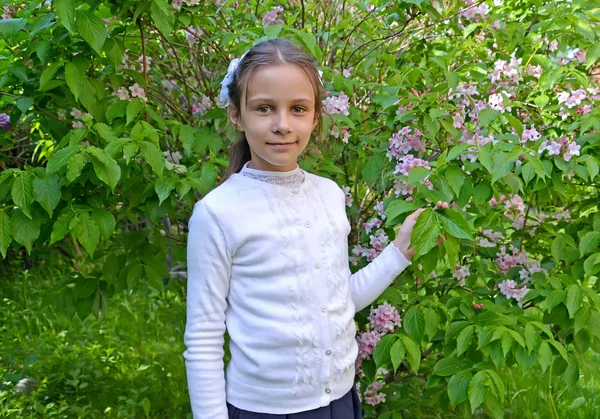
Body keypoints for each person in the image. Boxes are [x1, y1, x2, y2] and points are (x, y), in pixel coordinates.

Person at [184, 38, 431, 419]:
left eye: (298, 109)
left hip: (341, 401)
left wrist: (398, 253)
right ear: (236, 114)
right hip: (264, 411)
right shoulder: (217, 213)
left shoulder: (329, 195)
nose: (283, 125)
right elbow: (203, 339)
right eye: (264, 108)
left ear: (315, 117)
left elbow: (336, 301)